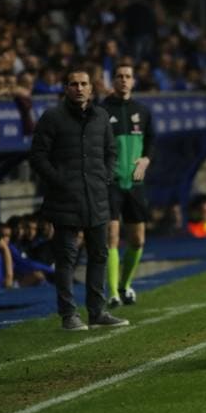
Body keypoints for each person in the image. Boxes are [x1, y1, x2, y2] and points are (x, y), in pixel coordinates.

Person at [29, 66, 128, 331]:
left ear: (91, 89)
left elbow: (111, 152)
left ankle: (97, 312)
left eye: (84, 84)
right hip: (64, 200)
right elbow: (37, 156)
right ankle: (68, 316)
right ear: (66, 88)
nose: (79, 88)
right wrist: (60, 181)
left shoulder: (101, 117)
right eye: (74, 84)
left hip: (96, 197)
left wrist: (104, 177)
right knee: (66, 259)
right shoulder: (52, 117)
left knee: (99, 254)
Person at [102, 64, 154, 308]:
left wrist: (145, 159)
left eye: (128, 76)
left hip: (135, 183)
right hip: (110, 182)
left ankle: (125, 285)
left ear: (133, 82)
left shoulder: (142, 111)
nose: (124, 80)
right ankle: (112, 293)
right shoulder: (101, 110)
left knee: (138, 240)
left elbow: (152, 142)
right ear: (113, 81)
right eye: (119, 76)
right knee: (111, 237)